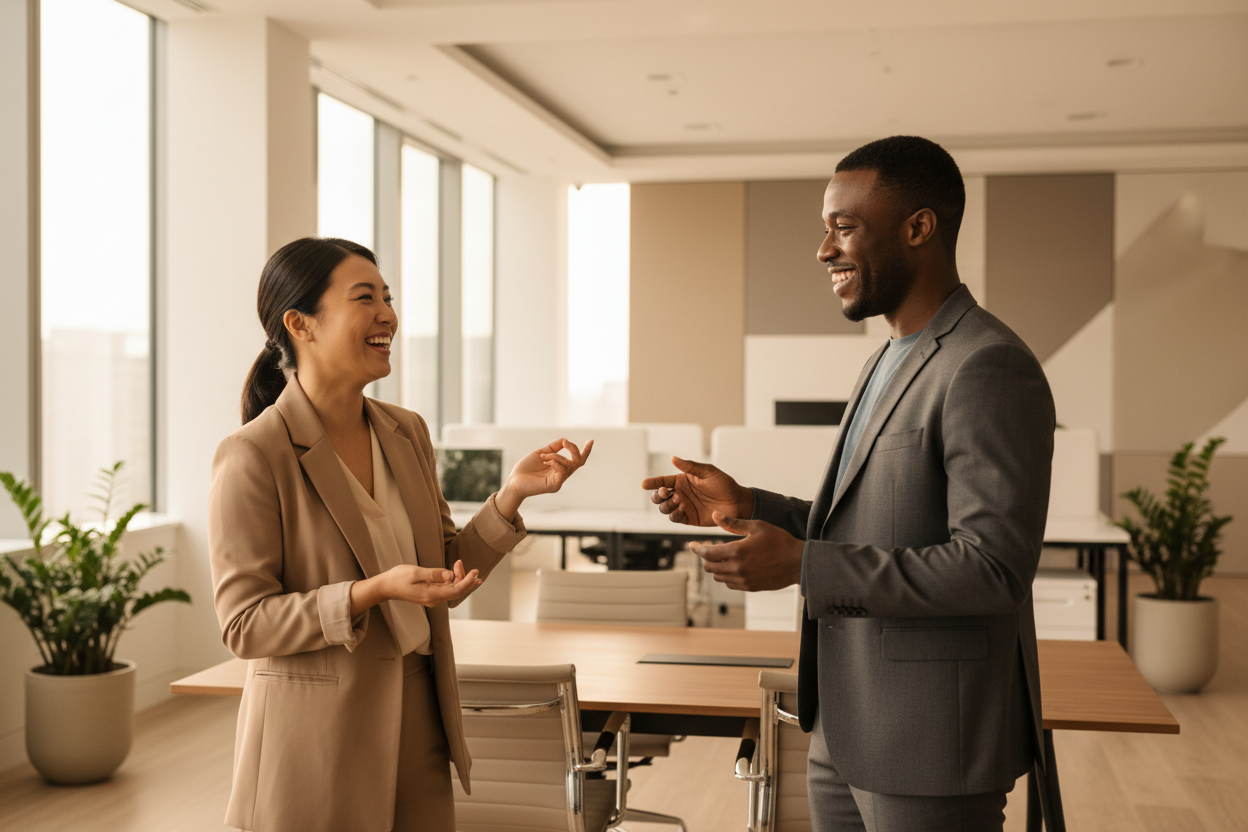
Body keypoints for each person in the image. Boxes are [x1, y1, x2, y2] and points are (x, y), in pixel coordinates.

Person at [643, 136, 1055, 832]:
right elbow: (871, 524)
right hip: (844, 726)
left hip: (931, 743)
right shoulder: (888, 358)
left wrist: (802, 566)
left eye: (844, 227)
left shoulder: (987, 366)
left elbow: (991, 570)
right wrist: (748, 506)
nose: (823, 250)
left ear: (918, 227)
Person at [208, 237, 593, 832]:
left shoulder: (405, 432)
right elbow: (244, 624)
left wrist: (512, 494)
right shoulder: (254, 453)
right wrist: (370, 592)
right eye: (365, 298)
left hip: (421, 708)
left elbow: (445, 569)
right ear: (299, 324)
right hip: (315, 734)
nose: (387, 313)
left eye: (388, 297)